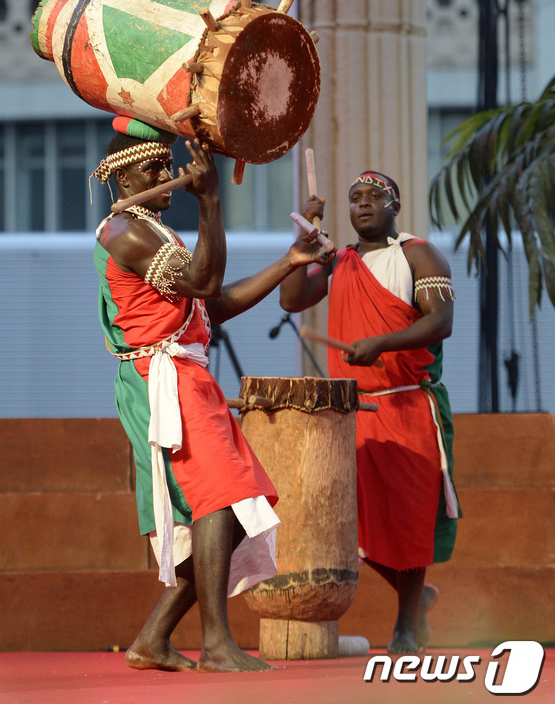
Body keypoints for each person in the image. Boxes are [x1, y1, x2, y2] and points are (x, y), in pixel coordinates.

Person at [92, 120, 336, 673]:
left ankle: (153, 641)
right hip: (164, 380)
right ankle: (218, 645)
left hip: (187, 378)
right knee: (219, 501)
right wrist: (211, 203)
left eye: (165, 163)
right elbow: (204, 285)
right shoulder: (123, 233)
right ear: (117, 175)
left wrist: (288, 262)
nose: (164, 174)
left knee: (220, 508)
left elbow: (211, 305)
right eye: (151, 166)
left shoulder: (157, 234)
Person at [279, 171, 460, 655]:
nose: (362, 205)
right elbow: (291, 298)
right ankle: (416, 597)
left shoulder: (418, 254)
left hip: (405, 403)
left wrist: (381, 342)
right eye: (355, 198)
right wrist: (304, 243)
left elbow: (440, 321)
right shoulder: (341, 261)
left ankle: (405, 628)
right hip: (353, 411)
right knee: (347, 524)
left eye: (374, 197)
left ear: (394, 205)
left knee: (406, 520)